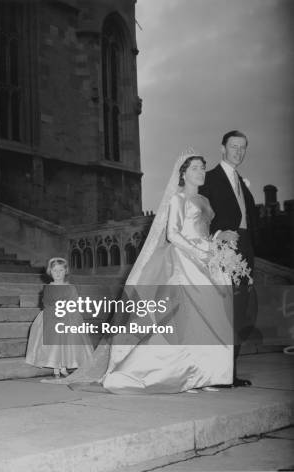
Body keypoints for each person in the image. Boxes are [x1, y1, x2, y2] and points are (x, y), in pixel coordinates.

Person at [57, 150, 234, 394]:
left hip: (208, 262)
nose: (201, 172)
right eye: (195, 168)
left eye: (203, 168)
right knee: (182, 320)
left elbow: (203, 230)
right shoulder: (177, 199)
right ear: (183, 173)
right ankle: (178, 374)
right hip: (184, 262)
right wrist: (199, 253)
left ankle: (203, 374)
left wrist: (216, 243)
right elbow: (173, 234)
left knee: (209, 319)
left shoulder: (205, 201)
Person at [199, 130, 257, 387]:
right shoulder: (209, 178)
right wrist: (219, 233)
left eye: (243, 147)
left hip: (245, 250)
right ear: (222, 148)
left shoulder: (242, 183)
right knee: (222, 312)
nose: (238, 152)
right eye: (234, 146)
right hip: (221, 251)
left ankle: (230, 373)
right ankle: (216, 373)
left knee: (240, 313)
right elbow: (198, 216)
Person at [25, 257, 95, 378]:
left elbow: (74, 302)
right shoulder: (48, 287)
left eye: (60, 270)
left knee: (67, 341)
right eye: (54, 270)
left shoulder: (71, 287)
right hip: (52, 316)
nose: (57, 273)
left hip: (68, 316)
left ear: (65, 271)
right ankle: (56, 368)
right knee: (55, 342)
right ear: (50, 272)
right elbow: (46, 303)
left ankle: (63, 367)